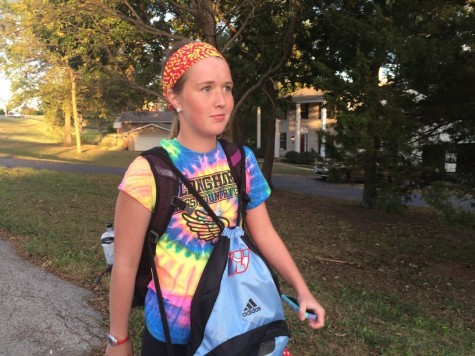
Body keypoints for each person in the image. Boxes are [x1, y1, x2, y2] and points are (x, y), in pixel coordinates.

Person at [106, 40, 325, 356]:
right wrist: (118, 339)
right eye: (206, 89)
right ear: (175, 98)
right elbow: (125, 265)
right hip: (173, 335)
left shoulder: (241, 160)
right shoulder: (149, 172)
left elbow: (264, 233)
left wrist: (302, 290)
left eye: (227, 88)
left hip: (231, 325)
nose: (222, 101)